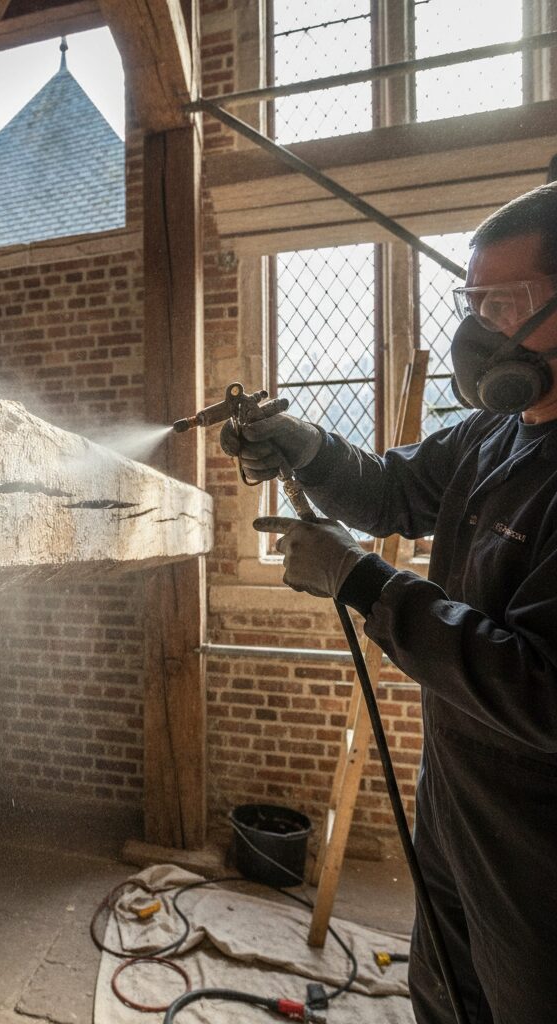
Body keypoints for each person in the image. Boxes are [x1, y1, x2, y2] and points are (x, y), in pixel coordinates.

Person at [222, 182, 557, 1024]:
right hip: (457, 787)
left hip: (537, 830)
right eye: (473, 303)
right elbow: (388, 490)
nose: (480, 332)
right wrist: (305, 447)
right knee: (443, 989)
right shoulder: (492, 433)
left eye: (506, 304)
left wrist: (360, 582)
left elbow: (540, 688)